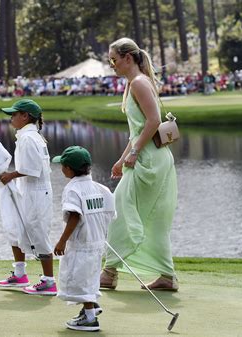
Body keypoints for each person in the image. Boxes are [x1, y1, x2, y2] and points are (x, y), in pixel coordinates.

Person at [101, 37, 178, 291]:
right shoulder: (134, 83)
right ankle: (166, 276)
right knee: (150, 217)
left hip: (150, 160)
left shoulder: (138, 83)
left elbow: (154, 120)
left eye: (114, 59)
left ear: (128, 58)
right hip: (145, 157)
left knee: (120, 208)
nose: (112, 64)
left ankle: (109, 273)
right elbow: (137, 130)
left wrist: (133, 153)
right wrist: (123, 158)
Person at [52, 146, 116, 331]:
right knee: (90, 277)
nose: (61, 169)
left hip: (81, 243)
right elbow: (110, 213)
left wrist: (62, 240)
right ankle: (91, 308)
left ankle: (89, 318)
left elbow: (74, 216)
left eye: (62, 166)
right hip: (96, 243)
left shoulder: (73, 189)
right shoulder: (100, 188)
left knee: (79, 280)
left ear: (70, 169)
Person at [0, 99, 57, 296]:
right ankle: (20, 273)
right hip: (28, 191)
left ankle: (49, 281)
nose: (11, 118)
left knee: (38, 233)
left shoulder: (28, 138)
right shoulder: (27, 136)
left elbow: (33, 170)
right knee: (16, 228)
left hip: (36, 192)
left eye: (14, 114)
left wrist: (10, 175)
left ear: (25, 116)